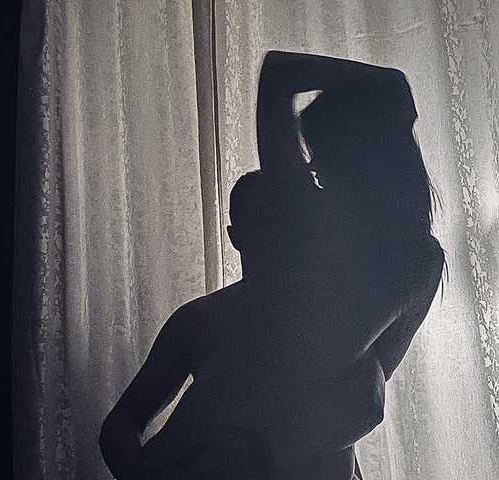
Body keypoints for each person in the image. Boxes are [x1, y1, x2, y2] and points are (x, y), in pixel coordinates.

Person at [98, 51, 446, 480]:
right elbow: (357, 395)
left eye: (321, 151)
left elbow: (357, 396)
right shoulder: (412, 261)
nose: (311, 165)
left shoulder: (394, 256)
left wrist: (386, 84)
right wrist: (386, 85)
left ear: (361, 159)